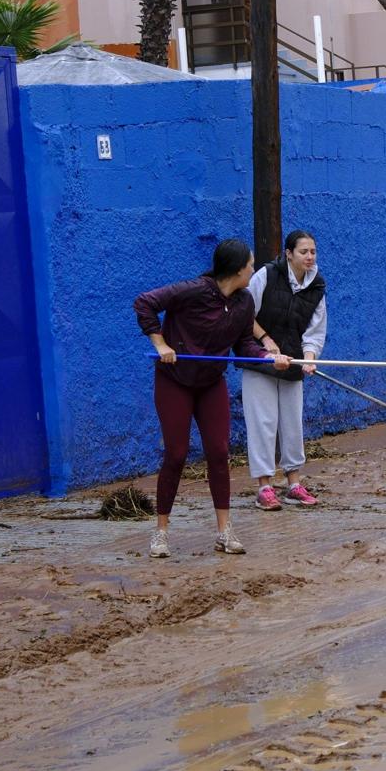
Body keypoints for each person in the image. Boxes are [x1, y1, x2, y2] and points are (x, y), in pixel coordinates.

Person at [134, 239, 292, 559]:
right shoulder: (193, 290)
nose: (253, 269)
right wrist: (160, 343)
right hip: (174, 380)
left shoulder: (244, 302)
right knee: (176, 454)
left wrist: (266, 356)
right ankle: (161, 532)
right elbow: (144, 303)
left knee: (219, 452)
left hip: (210, 383)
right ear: (237, 269)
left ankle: (224, 531)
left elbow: (244, 345)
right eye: (250, 264)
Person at [241, 230, 328, 511]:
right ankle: (264, 487)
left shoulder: (316, 286)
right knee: (263, 424)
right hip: (260, 363)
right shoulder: (266, 275)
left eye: (313, 251)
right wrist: (266, 342)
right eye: (304, 251)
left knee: (292, 424)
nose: (310, 257)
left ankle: (293, 484)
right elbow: (244, 313)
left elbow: (315, 331)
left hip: (292, 365)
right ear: (289, 254)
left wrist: (309, 358)